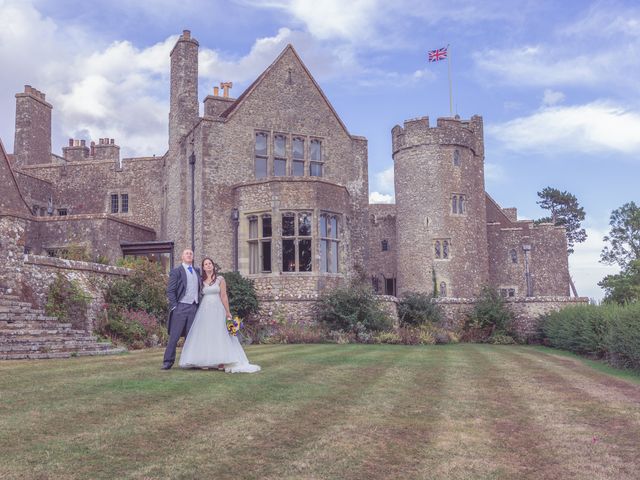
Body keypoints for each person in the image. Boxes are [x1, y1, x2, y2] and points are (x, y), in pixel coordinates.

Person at [179, 257, 260, 373]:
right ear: (203, 267)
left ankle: (222, 360)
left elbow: (223, 296)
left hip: (218, 308)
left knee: (219, 332)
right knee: (206, 332)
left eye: (210, 263)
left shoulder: (220, 279)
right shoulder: (200, 280)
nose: (208, 265)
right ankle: (204, 361)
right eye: (205, 264)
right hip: (205, 309)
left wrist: (228, 313)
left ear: (213, 265)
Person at [161, 249, 201, 370]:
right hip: (181, 306)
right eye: (186, 253)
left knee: (191, 336)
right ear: (182, 257)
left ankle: (190, 361)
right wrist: (175, 306)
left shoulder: (197, 271)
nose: (189, 255)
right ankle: (168, 362)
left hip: (194, 307)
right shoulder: (176, 271)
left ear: (193, 257)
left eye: (191, 254)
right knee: (174, 336)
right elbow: (170, 290)